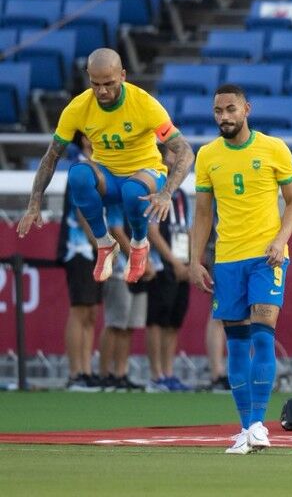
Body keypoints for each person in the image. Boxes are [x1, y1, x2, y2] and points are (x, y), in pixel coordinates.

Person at [17, 48, 194, 287]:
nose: (101, 91)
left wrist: (166, 193)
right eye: (95, 84)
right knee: (78, 174)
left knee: (132, 191)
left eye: (108, 84)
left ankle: (140, 244)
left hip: (146, 173)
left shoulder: (144, 104)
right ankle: (104, 243)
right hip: (108, 176)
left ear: (122, 75)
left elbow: (185, 151)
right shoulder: (78, 108)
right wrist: (34, 202)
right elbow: (51, 157)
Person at [189, 84, 292, 454]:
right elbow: (203, 213)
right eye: (218, 110)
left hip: (267, 257)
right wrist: (195, 260)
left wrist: (280, 240)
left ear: (246, 109)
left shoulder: (273, 148)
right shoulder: (206, 156)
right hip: (227, 260)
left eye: (231, 109)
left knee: (263, 331)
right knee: (235, 344)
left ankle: (259, 423)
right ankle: (245, 427)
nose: (224, 117)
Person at [58, 132, 127, 392]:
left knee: (91, 312)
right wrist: (100, 243)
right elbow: (81, 211)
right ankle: (76, 372)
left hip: (95, 249)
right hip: (79, 248)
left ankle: (86, 370)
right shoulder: (81, 167)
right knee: (79, 310)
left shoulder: (104, 168)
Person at [145, 145, 193, 392]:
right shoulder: (156, 188)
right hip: (162, 265)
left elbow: (189, 228)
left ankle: (169, 372)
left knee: (174, 321)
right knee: (157, 319)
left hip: (182, 265)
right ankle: (156, 374)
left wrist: (190, 262)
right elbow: (152, 231)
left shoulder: (182, 195)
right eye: (175, 155)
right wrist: (174, 262)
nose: (180, 160)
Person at [98, 245, 150, 391]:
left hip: (139, 268)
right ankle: (104, 374)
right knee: (114, 323)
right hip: (120, 268)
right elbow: (117, 230)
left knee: (128, 326)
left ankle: (120, 374)